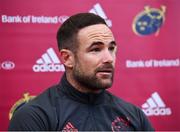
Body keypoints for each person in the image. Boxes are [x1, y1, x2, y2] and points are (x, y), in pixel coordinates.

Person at [9, 13, 154, 131]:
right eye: (96, 49)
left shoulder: (134, 115)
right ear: (67, 58)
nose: (109, 58)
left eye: (111, 48)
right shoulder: (34, 117)